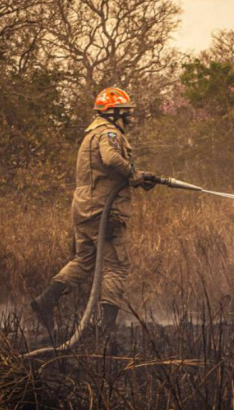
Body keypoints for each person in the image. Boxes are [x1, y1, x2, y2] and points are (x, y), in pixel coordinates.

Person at [31, 87, 154, 338]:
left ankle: (45, 301)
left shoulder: (90, 135)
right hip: (104, 212)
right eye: (125, 112)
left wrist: (138, 178)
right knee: (116, 266)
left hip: (83, 210)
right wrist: (134, 175)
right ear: (113, 113)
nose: (129, 117)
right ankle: (107, 329)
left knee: (84, 260)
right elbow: (111, 159)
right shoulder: (110, 133)